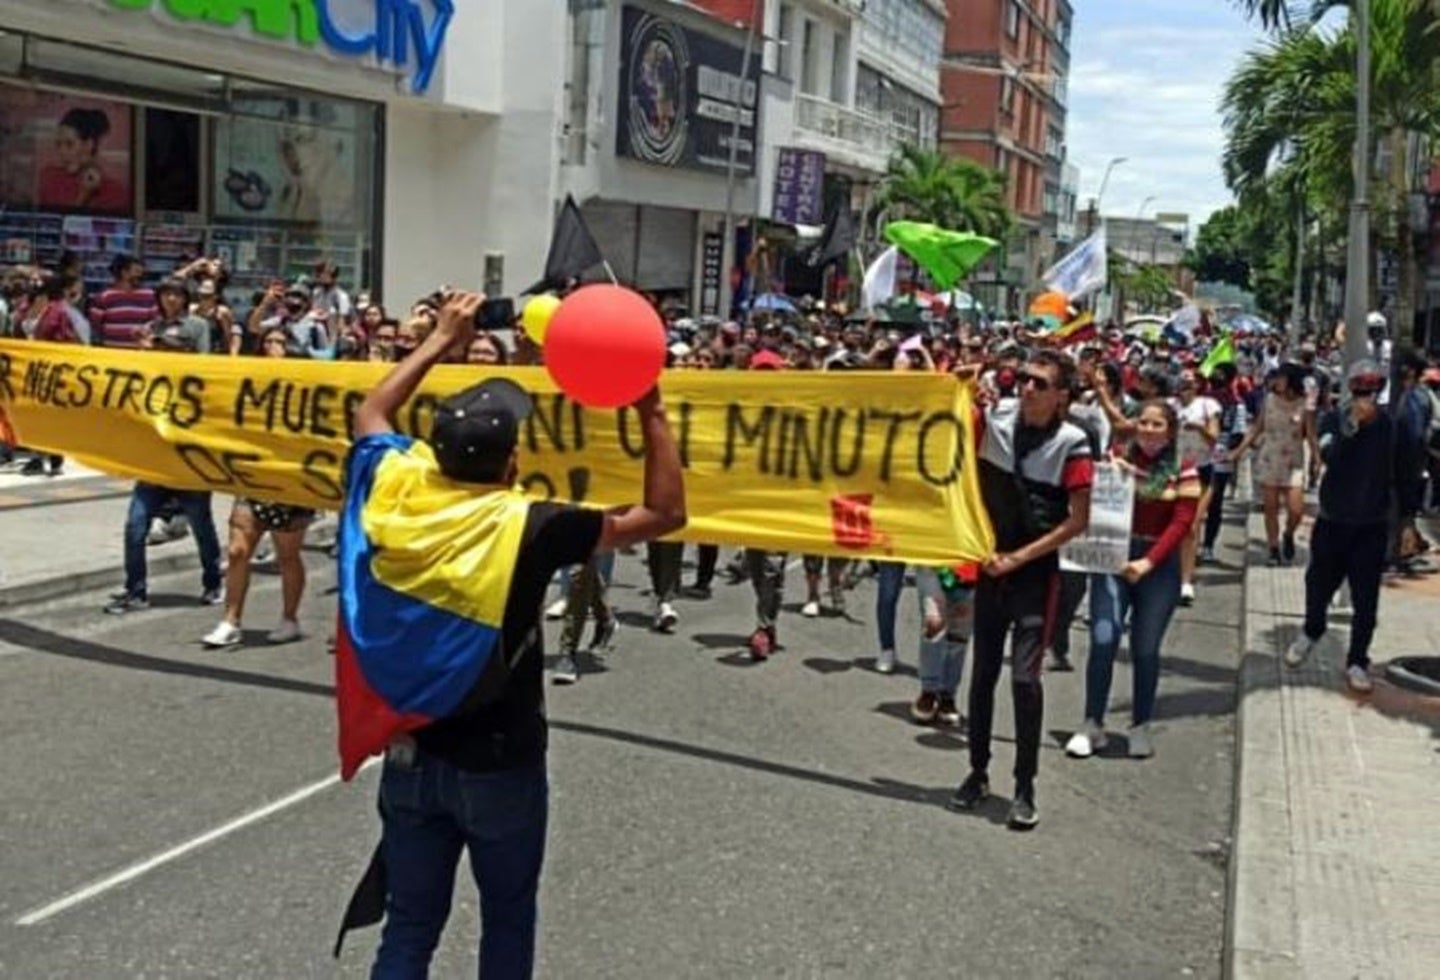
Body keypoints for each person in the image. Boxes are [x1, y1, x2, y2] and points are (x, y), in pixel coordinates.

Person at [340, 291, 685, 977]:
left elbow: (370, 413)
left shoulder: (390, 484)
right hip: (500, 763)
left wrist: (441, 339)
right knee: (507, 919)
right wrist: (650, 410)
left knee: (409, 927)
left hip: (410, 756)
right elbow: (665, 513)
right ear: (511, 466)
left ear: (433, 453)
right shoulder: (531, 524)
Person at [950, 350, 1093, 830]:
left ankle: (1024, 785)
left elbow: (1079, 521)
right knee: (983, 674)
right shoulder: (998, 419)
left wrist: (1019, 557)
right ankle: (977, 772)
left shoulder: (1073, 443)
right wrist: (962, 385)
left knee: (1025, 681)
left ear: (1061, 397)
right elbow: (951, 422)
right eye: (1024, 380)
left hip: (1035, 575)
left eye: (1039, 384)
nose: (1027, 388)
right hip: (992, 568)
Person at [1065, 400, 1199, 760]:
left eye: (1158, 425)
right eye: (1144, 422)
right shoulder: (1117, 458)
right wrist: (1107, 475)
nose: (1150, 430)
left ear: (1170, 431)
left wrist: (1149, 562)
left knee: (1145, 648)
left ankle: (1140, 725)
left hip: (1158, 566)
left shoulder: (1184, 471)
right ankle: (1092, 723)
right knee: (1104, 637)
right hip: (1113, 558)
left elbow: (1182, 523)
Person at [1286, 360, 1413, 694]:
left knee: (1366, 599)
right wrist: (1351, 429)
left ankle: (1358, 659)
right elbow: (1328, 456)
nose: (1364, 398)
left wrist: (1406, 523)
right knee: (1317, 585)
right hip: (1332, 521)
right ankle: (1312, 630)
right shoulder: (1334, 421)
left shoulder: (1392, 428)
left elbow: (1405, 475)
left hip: (1370, 526)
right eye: (1359, 391)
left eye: (1370, 392)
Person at [200, 326, 313, 648]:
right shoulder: (249, 383)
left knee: (287, 556)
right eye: (268, 341)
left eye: (280, 341)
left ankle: (289, 618)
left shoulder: (305, 386)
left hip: (290, 484)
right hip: (253, 481)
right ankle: (230, 619)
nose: (272, 347)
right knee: (237, 551)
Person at [1230, 364, 1317, 566]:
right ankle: (1273, 549)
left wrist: (1316, 458)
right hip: (1270, 457)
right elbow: (1256, 428)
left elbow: (1311, 434)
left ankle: (1288, 533)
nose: (1276, 382)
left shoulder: (1305, 404)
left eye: (1281, 378)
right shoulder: (1269, 401)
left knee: (1296, 510)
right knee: (1271, 508)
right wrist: (1239, 450)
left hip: (1294, 460)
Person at [1174, 371, 1220, 606]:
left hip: (1200, 471)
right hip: (1173, 471)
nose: (1186, 387)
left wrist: (1198, 428)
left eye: (1190, 383)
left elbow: (1214, 437)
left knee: (1191, 526)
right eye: (1182, 382)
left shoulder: (1208, 406)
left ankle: (1186, 581)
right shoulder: (1170, 406)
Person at [40, 106, 128, 211]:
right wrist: (83, 195)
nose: (61, 152)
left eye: (69, 144)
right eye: (58, 144)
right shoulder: (50, 178)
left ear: (88, 145)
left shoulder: (114, 190)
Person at [89, 254, 156, 349]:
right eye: (137, 272)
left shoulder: (149, 295)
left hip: (140, 352)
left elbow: (155, 321)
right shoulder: (105, 296)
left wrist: (145, 330)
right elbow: (95, 325)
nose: (140, 275)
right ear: (124, 272)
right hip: (111, 352)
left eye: (142, 272)